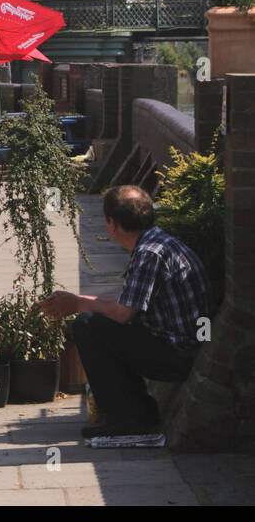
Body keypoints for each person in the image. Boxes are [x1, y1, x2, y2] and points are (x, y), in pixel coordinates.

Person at [39, 185, 210, 441]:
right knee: (100, 324)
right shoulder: (158, 242)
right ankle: (138, 410)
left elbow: (122, 314)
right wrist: (81, 301)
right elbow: (128, 305)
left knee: (89, 327)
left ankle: (127, 418)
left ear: (113, 224)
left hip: (180, 354)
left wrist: (77, 303)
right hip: (185, 343)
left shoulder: (149, 254)